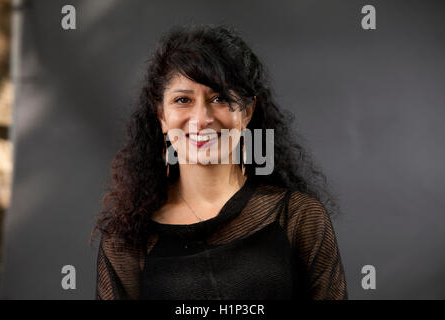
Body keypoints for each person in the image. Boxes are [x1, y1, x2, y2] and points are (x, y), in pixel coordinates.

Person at [90, 23, 348, 300]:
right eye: (182, 100)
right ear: (161, 116)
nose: (201, 119)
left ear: (247, 112)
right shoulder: (128, 241)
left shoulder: (299, 217)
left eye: (219, 98)